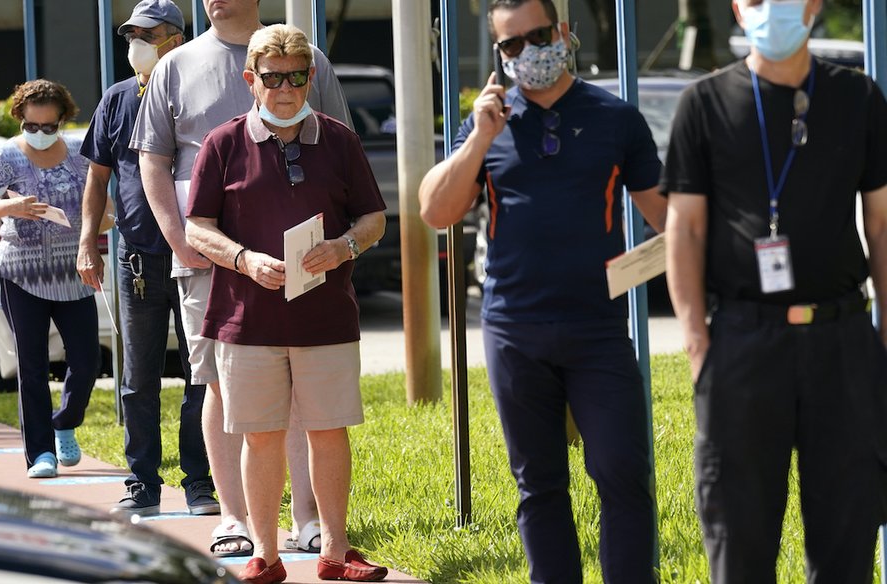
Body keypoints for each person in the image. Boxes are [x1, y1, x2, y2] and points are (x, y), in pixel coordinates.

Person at [418, 0, 667, 582]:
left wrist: (654, 266)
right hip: (514, 330)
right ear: (500, 55)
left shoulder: (614, 117)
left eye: (538, 36)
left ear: (564, 33)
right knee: (539, 484)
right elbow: (435, 211)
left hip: (597, 332)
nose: (528, 52)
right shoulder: (488, 122)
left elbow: (666, 216)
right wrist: (478, 138)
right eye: (511, 45)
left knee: (622, 471)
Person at [662, 1, 887, 581]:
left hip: (841, 344)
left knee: (846, 542)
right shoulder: (704, 105)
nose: (774, 8)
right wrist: (697, 347)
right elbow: (683, 229)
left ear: (815, 4)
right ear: (738, 8)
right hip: (741, 343)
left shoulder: (858, 97)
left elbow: (883, 224)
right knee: (738, 542)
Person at [130, 0, 351, 554]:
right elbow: (153, 159)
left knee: (302, 390)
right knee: (218, 385)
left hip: (300, 262)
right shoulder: (174, 65)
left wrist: (340, 244)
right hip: (207, 259)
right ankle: (234, 518)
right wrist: (182, 238)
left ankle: (308, 519)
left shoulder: (305, 57)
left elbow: (339, 151)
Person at [184, 23, 388, 584]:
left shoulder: (340, 140)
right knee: (261, 436)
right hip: (247, 320)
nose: (285, 88)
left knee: (328, 431)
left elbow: (374, 218)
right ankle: (266, 555)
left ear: (310, 77)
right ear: (251, 80)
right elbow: (198, 226)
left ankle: (336, 553)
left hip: (326, 318)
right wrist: (244, 259)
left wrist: (344, 245)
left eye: (296, 76)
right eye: (272, 77)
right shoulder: (223, 143)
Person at [77, 0, 218, 517]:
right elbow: (96, 179)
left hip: (200, 255)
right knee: (137, 378)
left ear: (175, 39)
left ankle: (199, 481)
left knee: (201, 375)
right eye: (131, 34)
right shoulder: (115, 100)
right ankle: (143, 483)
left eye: (148, 33)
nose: (136, 42)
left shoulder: (196, 93)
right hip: (137, 258)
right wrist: (87, 241)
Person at [0, 80, 98, 479]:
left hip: (73, 269)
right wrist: (12, 205)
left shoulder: (80, 153)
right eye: (32, 126)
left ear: (62, 120)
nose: (40, 134)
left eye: (48, 127)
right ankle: (40, 453)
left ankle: (65, 420)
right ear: (20, 119)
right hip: (20, 272)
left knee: (88, 360)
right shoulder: (6, 154)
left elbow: (103, 206)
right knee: (31, 364)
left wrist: (98, 229)